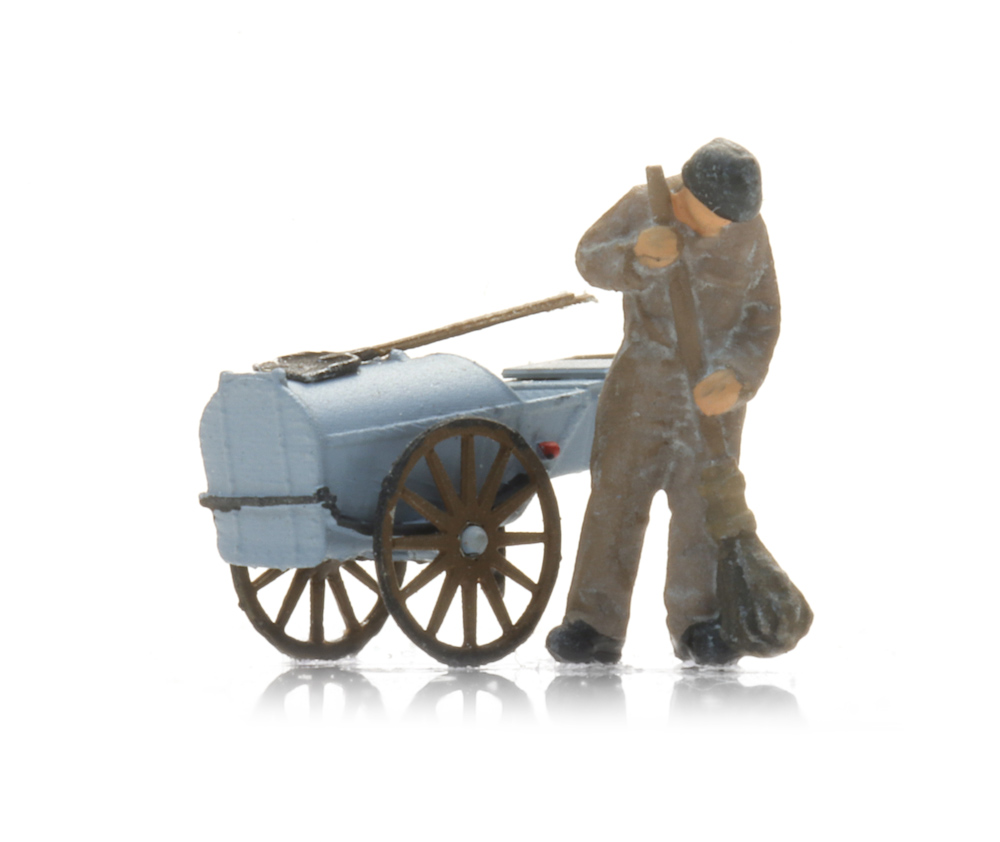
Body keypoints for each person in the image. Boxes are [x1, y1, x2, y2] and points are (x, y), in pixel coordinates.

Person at [546, 138, 796, 666]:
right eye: (716, 218)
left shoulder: (749, 231)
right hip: (642, 383)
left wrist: (738, 378)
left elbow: (763, 315)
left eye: (733, 221)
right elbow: (589, 258)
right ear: (689, 196)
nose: (724, 229)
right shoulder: (643, 205)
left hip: (712, 401)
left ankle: (700, 622)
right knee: (615, 503)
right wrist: (634, 256)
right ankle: (593, 624)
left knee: (703, 511)